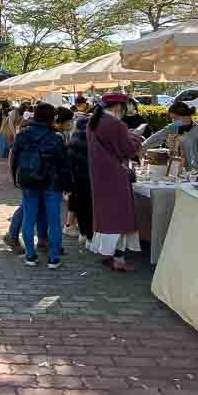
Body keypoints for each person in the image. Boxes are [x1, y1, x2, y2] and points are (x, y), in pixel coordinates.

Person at [86, 93, 143, 271]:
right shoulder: (114, 123)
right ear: (119, 106)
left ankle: (109, 254)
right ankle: (118, 259)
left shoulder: (94, 121)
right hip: (115, 173)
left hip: (99, 173)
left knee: (106, 214)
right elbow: (126, 149)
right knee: (120, 216)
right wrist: (136, 138)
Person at [10, 102, 71, 269]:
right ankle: (53, 258)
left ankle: (30, 256)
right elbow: (64, 164)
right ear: (52, 118)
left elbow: (14, 157)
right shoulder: (56, 137)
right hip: (52, 183)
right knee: (54, 221)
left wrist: (15, 178)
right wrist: (68, 184)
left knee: (29, 218)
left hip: (29, 181)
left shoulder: (23, 134)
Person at [142, 102, 198, 177]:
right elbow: (157, 137)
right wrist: (142, 146)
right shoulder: (173, 127)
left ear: (186, 116)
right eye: (172, 118)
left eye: (175, 118)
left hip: (194, 174)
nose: (173, 121)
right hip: (176, 171)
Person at [67, 96, 94, 245]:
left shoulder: (74, 140)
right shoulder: (89, 143)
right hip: (87, 180)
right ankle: (88, 236)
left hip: (76, 180)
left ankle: (83, 234)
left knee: (80, 208)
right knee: (88, 209)